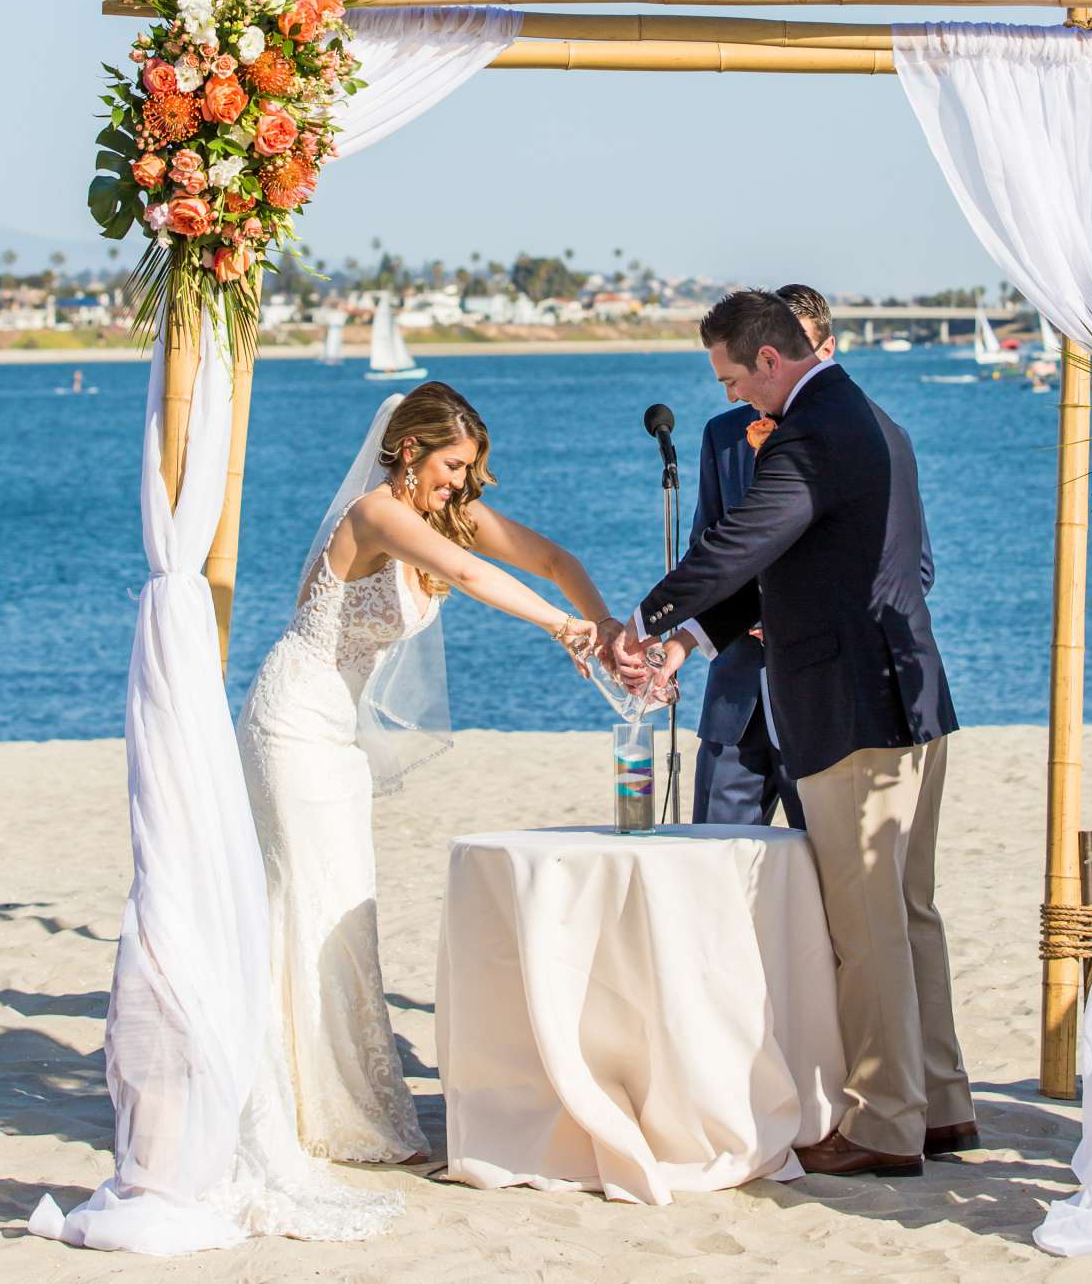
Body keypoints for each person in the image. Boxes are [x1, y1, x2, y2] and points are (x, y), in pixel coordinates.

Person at [616, 290, 974, 1178]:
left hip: (854, 706)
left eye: (736, 377)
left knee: (869, 927)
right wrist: (690, 637)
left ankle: (887, 1122)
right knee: (911, 911)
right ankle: (941, 1104)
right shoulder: (875, 419)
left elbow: (737, 544)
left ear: (770, 360)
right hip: (913, 702)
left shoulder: (812, 433)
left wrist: (647, 619)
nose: (736, 397)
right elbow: (777, 565)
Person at [237, 381, 617, 1169]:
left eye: (468, 469)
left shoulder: (443, 510)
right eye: (450, 465)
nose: (459, 483)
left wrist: (604, 623)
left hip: (335, 736)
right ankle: (292, 1106)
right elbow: (475, 580)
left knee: (345, 911)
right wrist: (562, 630)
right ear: (408, 450)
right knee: (303, 908)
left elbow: (553, 559)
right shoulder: (376, 513)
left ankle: (340, 1103)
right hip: (290, 722)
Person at [689, 282, 833, 829]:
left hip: (822, 701)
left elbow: (912, 570)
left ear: (826, 350)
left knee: (825, 873)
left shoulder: (860, 434)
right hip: (736, 698)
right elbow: (707, 549)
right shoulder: (723, 436)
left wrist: (795, 615)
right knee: (710, 862)